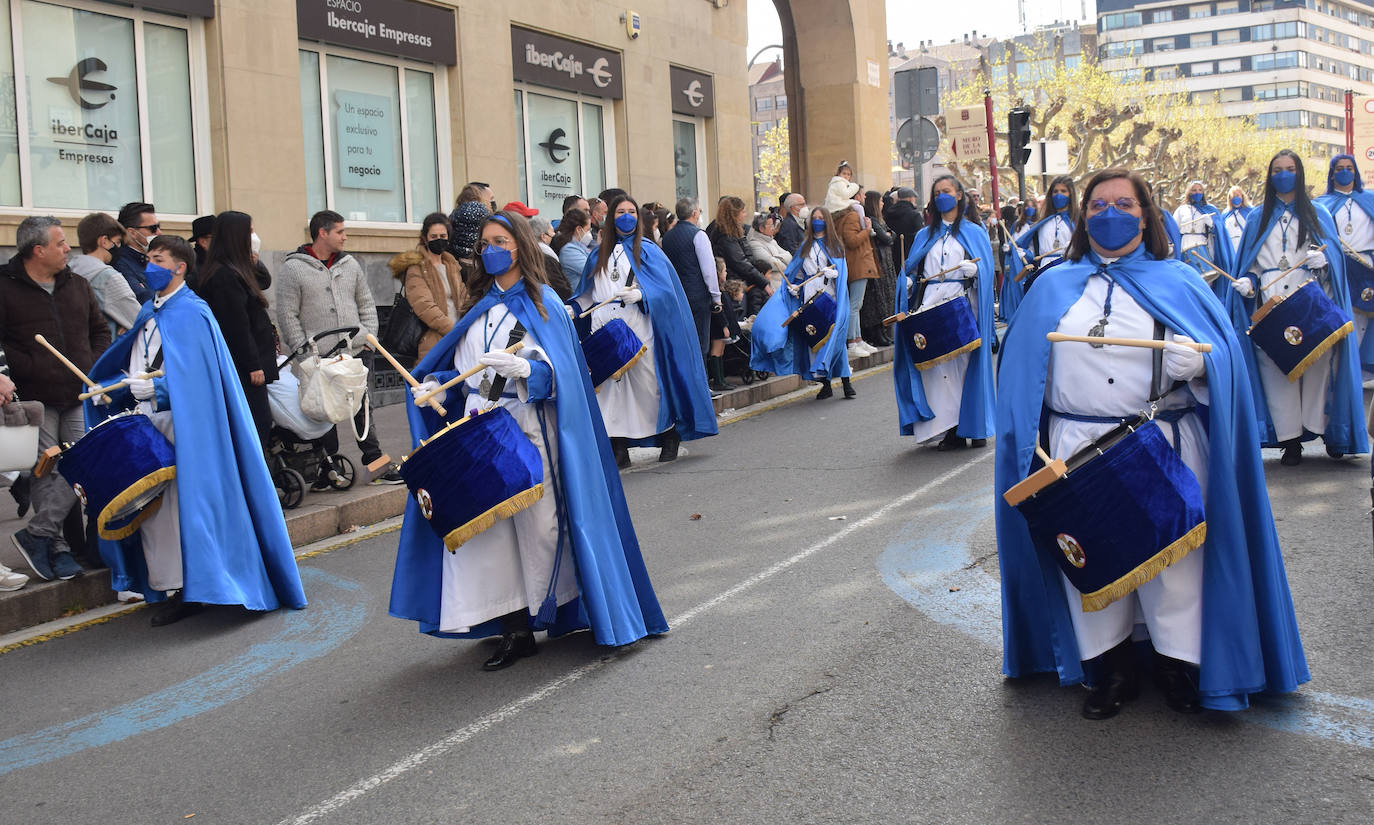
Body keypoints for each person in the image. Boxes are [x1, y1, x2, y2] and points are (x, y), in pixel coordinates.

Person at [996, 166, 1309, 717]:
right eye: (1097, 205)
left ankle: (1178, 666)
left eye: (1123, 204)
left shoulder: (1180, 280)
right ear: (1082, 216)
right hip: (1075, 444)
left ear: (1146, 213)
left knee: (1175, 564)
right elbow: (1021, 378)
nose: (1109, 215)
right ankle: (1111, 671)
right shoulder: (1050, 285)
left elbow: (1229, 365)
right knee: (1091, 559)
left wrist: (1202, 369)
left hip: (1161, 439)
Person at [394, 211, 668, 670]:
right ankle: (512, 625)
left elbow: (568, 377)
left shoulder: (547, 306)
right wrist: (434, 385)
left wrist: (528, 372)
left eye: (499, 240)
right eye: (484, 244)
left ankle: (557, 608)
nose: (490, 250)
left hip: (528, 427)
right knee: (490, 535)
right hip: (481, 427)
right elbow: (464, 370)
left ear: (519, 245)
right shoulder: (479, 308)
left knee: (540, 531)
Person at [84, 235, 306, 626]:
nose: (151, 265)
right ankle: (172, 584)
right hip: (147, 424)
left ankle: (195, 587)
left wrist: (160, 387)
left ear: (180, 266)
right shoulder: (148, 312)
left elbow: (203, 379)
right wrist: (112, 389)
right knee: (155, 513)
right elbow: (134, 359)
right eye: (148, 258)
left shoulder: (194, 312)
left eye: (159, 258)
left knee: (187, 510)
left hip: (185, 428)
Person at [1225, 149, 1367, 465]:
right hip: (1271, 300)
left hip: (1310, 298)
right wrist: (1248, 280)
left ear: (1300, 173)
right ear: (1269, 175)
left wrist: (1326, 261)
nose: (1284, 174)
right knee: (1276, 368)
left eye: (1290, 168)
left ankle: (1324, 431)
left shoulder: (1318, 214)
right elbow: (1250, 263)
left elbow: (1336, 266)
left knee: (1319, 364)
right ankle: (1290, 440)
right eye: (1278, 169)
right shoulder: (1255, 217)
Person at [1, 216, 110, 582]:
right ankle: (58, 546)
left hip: (78, 392)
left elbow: (99, 331)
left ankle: (38, 535)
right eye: (61, 243)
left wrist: (91, 366)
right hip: (36, 395)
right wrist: (22, 368)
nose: (68, 249)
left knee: (80, 464)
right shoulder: (4, 286)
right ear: (38, 250)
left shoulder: (76, 284)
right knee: (45, 471)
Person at [574, 195, 718, 468]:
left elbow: (667, 291)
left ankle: (668, 435)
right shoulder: (597, 253)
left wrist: (641, 294)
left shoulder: (649, 250)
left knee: (648, 385)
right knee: (610, 391)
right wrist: (574, 307)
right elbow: (588, 291)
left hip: (638, 326)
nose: (625, 216)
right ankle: (619, 447)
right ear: (610, 217)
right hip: (605, 327)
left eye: (631, 211)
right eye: (620, 212)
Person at [276, 209, 403, 485]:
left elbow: (366, 303)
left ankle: (376, 462)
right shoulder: (293, 268)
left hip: (357, 350)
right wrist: (304, 350)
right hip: (318, 356)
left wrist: (368, 337)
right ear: (323, 233)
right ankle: (328, 467)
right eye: (340, 232)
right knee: (324, 410)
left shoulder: (350, 265)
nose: (345, 237)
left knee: (363, 405)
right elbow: (287, 315)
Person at [894, 174, 994, 450]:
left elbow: (986, 269)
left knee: (963, 366)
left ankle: (972, 425)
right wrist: (910, 282)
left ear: (959, 195)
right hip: (931, 303)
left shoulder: (974, 231)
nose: (941, 197)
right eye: (937, 193)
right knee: (936, 369)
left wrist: (978, 272)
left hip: (961, 303)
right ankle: (949, 428)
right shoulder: (924, 235)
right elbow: (912, 269)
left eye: (946, 191)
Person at [193, 211, 279, 449]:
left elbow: (263, 280)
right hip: (244, 367)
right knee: (255, 424)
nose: (254, 236)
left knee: (260, 424)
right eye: (250, 231)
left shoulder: (235, 268)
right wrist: (253, 364)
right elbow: (236, 325)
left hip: (253, 361)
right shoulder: (223, 275)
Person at [750, 206, 853, 399]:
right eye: (815, 218)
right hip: (809, 297)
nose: (817, 221)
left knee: (833, 337)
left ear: (827, 221)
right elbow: (797, 272)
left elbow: (842, 269)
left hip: (829, 296)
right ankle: (826, 384)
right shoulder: (806, 244)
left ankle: (846, 381)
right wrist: (794, 286)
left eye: (821, 218)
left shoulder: (835, 245)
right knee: (815, 340)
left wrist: (836, 274)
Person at [1315, 154, 1374, 373]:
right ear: (1331, 174)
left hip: (1366, 265)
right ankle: (1339, 370)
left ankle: (1362, 366)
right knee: (1340, 316)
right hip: (1336, 266)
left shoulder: (1370, 198)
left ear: (1356, 172)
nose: (1345, 171)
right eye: (1339, 168)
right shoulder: (1321, 204)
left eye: (1349, 168)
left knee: (1364, 319)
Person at [391, 212, 465, 364]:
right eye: (434, 236)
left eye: (443, 236)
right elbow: (424, 306)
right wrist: (454, 330)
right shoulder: (416, 268)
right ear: (425, 238)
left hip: (459, 341)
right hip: (433, 340)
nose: (439, 240)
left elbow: (464, 298)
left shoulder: (452, 265)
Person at [660, 197, 724, 372]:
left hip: (676, 295)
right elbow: (709, 270)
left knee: (682, 341)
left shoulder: (667, 237)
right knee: (699, 341)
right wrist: (716, 297)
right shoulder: (698, 235)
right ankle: (701, 385)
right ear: (695, 213)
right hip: (697, 296)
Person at [826, 177, 878, 359]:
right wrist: (867, 229)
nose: (862, 198)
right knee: (855, 304)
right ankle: (853, 341)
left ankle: (857, 338)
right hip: (858, 263)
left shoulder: (842, 216)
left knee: (855, 304)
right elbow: (852, 240)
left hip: (853, 263)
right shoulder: (852, 216)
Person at [70, 212, 142, 339]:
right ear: (104, 241)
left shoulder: (69, 271)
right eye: (118, 242)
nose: (119, 248)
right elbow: (140, 322)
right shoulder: (108, 278)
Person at [707, 196, 772, 317]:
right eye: (743, 212)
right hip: (735, 287)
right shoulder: (725, 235)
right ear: (733, 214)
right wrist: (763, 282)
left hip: (739, 283)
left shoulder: (733, 231)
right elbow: (741, 263)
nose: (745, 215)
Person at [1172, 180, 1234, 291]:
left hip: (1203, 244)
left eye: (1200, 190)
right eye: (1194, 190)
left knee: (1206, 281)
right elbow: (1173, 228)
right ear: (1189, 192)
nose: (1197, 193)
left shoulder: (1209, 208)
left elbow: (1218, 228)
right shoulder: (1181, 209)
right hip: (1185, 243)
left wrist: (1210, 222)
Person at [861, 190, 897, 348]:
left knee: (886, 298)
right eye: (881, 201)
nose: (883, 203)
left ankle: (883, 331)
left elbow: (892, 234)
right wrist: (889, 235)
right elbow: (887, 238)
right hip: (878, 262)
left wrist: (889, 234)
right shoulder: (873, 220)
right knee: (878, 300)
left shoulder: (880, 220)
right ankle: (876, 333)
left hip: (886, 261)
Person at [114, 202, 160, 303]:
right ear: (132, 233)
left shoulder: (159, 258)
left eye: (159, 226)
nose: (159, 232)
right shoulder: (119, 263)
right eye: (153, 228)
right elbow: (145, 299)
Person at [552, 208, 592, 296]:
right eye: (588, 229)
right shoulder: (569, 250)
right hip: (579, 300)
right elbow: (592, 270)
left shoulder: (579, 246)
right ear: (578, 229)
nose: (589, 233)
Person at [883, 187, 923, 264]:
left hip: (892, 254)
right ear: (910, 198)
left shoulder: (888, 213)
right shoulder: (915, 215)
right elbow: (920, 237)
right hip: (910, 253)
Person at [1222, 186, 1252, 254]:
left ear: (1242, 196)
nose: (1235, 198)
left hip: (1246, 244)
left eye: (1237, 195)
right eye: (1233, 196)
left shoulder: (1250, 211)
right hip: (1231, 246)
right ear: (1229, 198)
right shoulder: (1225, 213)